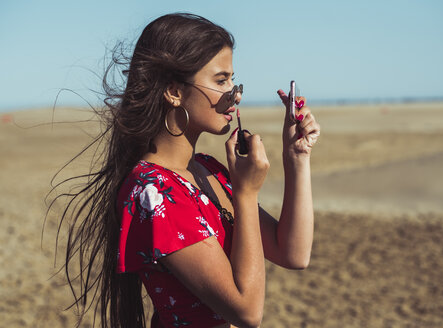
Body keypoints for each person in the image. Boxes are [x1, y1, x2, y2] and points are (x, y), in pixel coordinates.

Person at [57, 13, 320, 328]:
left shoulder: (207, 170)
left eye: (233, 80)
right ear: (174, 91)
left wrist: (296, 157)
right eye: (221, 81)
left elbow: (292, 253)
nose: (235, 95)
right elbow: (247, 311)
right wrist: (246, 194)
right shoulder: (153, 193)